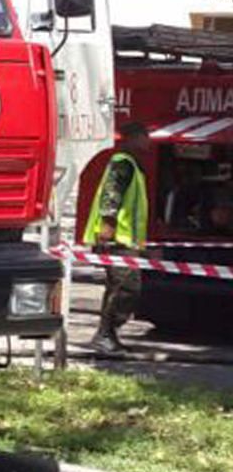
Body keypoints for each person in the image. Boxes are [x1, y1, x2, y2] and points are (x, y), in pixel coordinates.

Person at [81, 120, 153, 359]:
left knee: (118, 287)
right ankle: (105, 334)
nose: (148, 141)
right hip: (117, 241)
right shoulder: (123, 163)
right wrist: (107, 226)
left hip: (126, 241)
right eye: (145, 136)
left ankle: (107, 335)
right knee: (127, 287)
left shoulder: (133, 164)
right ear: (132, 138)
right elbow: (111, 194)